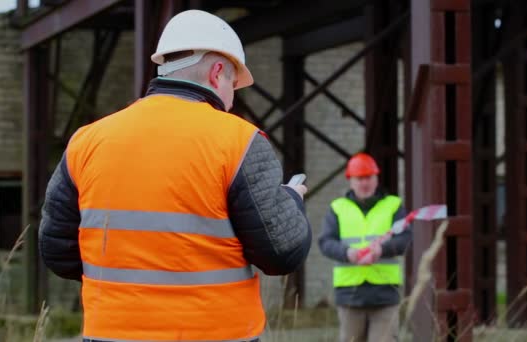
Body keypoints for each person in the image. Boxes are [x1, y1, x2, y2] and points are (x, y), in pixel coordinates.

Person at [38, 10, 311, 342]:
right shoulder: (238, 141)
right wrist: (292, 203)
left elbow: (56, 251)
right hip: (216, 335)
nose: (232, 95)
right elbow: (281, 253)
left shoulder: (87, 141)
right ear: (217, 72)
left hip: (111, 334)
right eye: (233, 84)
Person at [319, 153, 412, 342]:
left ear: (377, 178)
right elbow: (326, 242)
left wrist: (381, 250)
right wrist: (348, 253)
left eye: (368, 177)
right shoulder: (337, 208)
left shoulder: (393, 206)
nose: (364, 183)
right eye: (359, 178)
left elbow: (405, 239)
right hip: (349, 296)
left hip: (385, 294)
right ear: (350, 181)